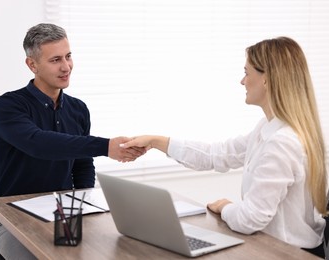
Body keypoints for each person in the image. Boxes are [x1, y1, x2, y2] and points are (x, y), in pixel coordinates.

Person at [121, 37, 327, 257]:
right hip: (271, 246)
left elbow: (251, 218)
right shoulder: (268, 129)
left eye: (247, 73)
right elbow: (216, 155)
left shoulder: (282, 141)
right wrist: (156, 141)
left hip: (290, 252)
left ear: (266, 80)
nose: (242, 81)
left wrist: (225, 207)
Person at [0, 23, 145, 259]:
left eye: (68, 56)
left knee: (114, 250)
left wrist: (82, 209)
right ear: (32, 65)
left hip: (64, 213)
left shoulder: (78, 109)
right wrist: (106, 146)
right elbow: (38, 143)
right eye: (55, 60)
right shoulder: (8, 106)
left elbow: (82, 165)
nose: (66, 67)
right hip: (11, 217)